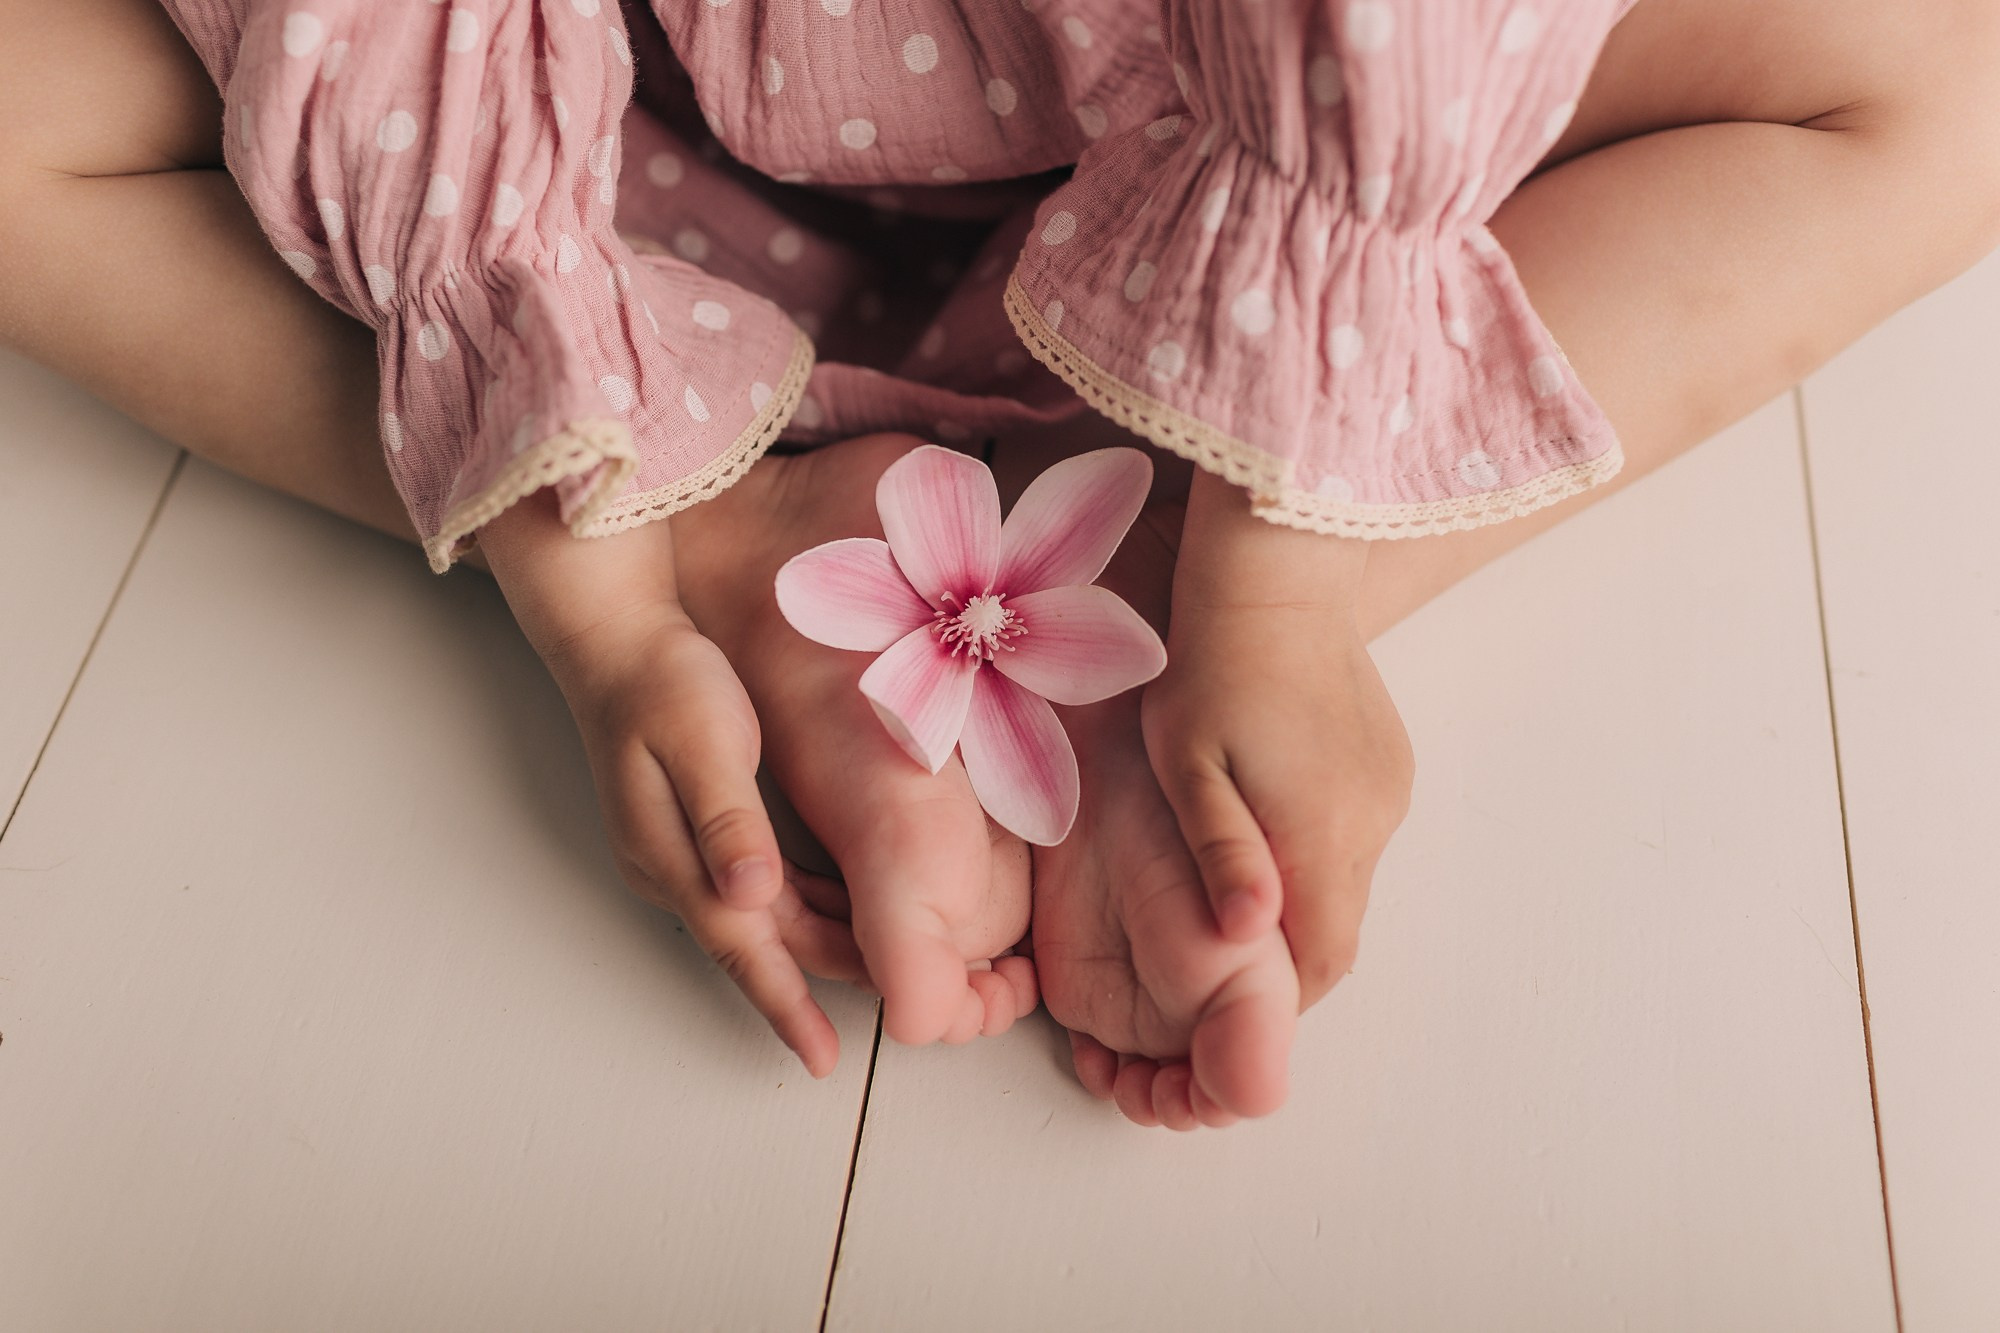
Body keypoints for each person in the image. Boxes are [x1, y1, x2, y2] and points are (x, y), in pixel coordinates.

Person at [2, 0, 1996, 1130]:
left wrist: (1279, 588)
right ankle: (729, 514)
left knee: (1943, 75)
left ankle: (1195, 550)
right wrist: (599, 584)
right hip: (608, 100)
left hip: (1244, 84)